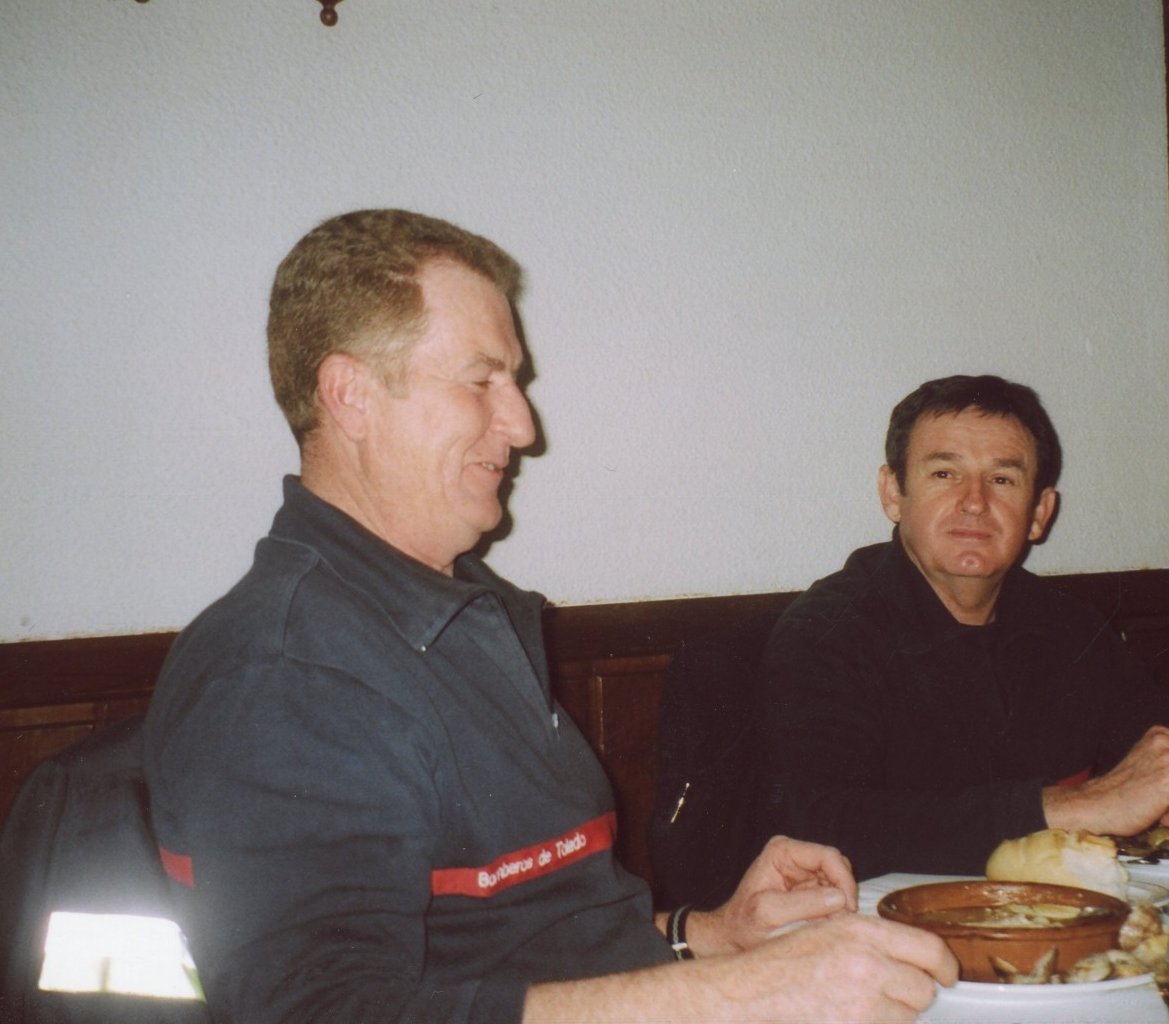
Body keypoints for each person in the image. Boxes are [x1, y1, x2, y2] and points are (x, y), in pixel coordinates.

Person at [140, 210, 955, 1024]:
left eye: (516, 382)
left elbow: (517, 946)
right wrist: (742, 995)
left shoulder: (462, 614)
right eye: (481, 380)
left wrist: (706, 937)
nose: (524, 426)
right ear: (350, 394)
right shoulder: (290, 671)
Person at [759, 374, 1169, 879]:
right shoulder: (827, 631)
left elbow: (1165, 741)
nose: (974, 501)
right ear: (893, 493)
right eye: (945, 474)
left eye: (1002, 479)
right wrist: (1070, 806)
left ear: (1039, 513)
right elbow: (822, 825)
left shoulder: (1070, 627)